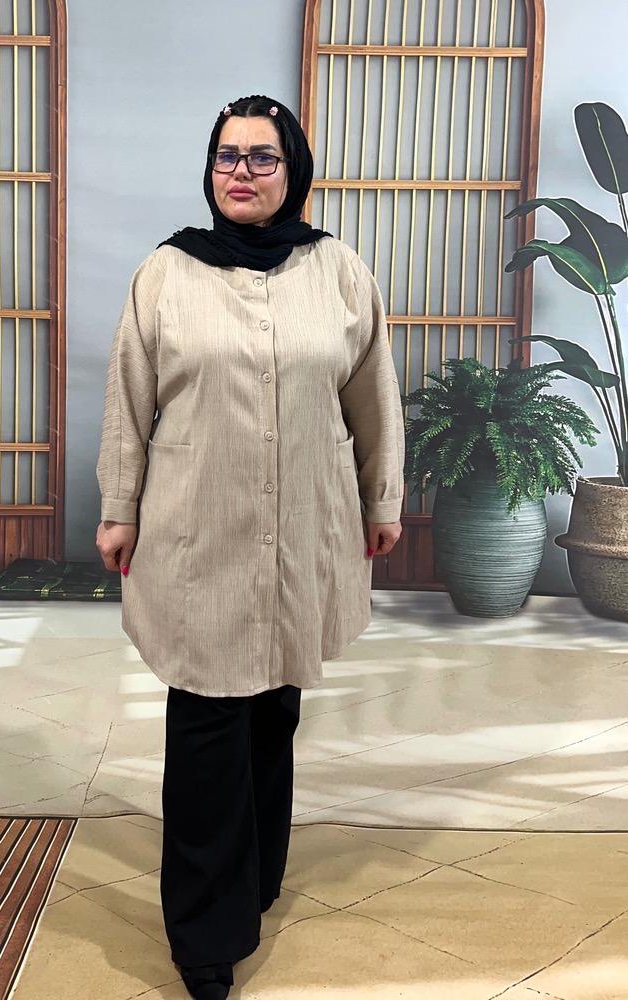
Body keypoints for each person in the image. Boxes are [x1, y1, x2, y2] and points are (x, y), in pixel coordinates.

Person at [96, 94, 404, 1000]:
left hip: (305, 521)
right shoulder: (166, 271)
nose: (241, 172)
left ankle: (257, 878)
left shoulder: (337, 269)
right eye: (227, 156)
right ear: (210, 169)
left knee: (273, 708)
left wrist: (381, 498)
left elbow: (372, 391)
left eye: (261, 157)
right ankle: (204, 937)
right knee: (206, 725)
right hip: (197, 527)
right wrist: (119, 509)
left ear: (291, 170)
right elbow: (128, 396)